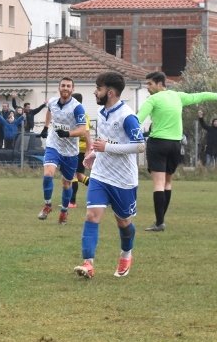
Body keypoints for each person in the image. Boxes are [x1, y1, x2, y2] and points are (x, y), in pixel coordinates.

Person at [135, 71, 217, 232]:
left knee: (158, 183)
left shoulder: (152, 99)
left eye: (150, 84)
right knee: (167, 182)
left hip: (158, 144)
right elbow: (201, 95)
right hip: (175, 145)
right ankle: (160, 220)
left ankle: (159, 222)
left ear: (160, 84)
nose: (147, 87)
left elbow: (138, 119)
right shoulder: (178, 96)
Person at [74, 72, 145, 279]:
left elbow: (140, 146)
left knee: (123, 222)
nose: (96, 92)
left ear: (110, 92)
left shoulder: (127, 116)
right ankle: (88, 264)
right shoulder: (102, 112)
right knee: (91, 215)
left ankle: (126, 254)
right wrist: (95, 153)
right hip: (101, 175)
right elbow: (106, 142)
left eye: (99, 88)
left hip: (123, 179)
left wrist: (107, 147)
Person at [37, 78, 91, 225]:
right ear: (59, 87)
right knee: (48, 174)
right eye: (63, 85)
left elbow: (82, 129)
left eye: (68, 86)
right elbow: (49, 111)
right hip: (53, 145)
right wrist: (46, 127)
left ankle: (64, 211)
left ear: (72, 89)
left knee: (67, 183)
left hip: (70, 151)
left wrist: (68, 134)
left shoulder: (77, 107)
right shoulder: (53, 102)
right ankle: (48, 205)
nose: (65, 88)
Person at [69, 93, 91, 208]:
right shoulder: (77, 113)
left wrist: (88, 149)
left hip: (79, 149)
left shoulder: (81, 114)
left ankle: (72, 202)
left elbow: (86, 132)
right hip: (76, 148)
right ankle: (103, 190)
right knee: (79, 176)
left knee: (74, 175)